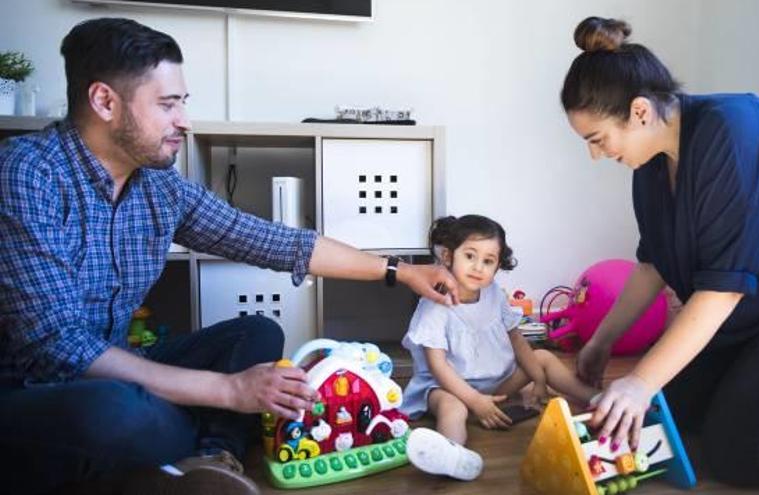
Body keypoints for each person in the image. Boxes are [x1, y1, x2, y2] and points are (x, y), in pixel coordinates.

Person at [0, 18, 459, 495]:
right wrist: (229, 391)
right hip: (34, 392)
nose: (184, 120)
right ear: (104, 102)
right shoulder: (27, 171)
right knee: (114, 414)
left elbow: (272, 241)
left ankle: (211, 456)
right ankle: (182, 445)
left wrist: (402, 272)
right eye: (167, 104)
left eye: (183, 103)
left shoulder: (158, 185)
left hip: (121, 364)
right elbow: (58, 347)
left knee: (257, 331)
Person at [561, 16, 759, 486]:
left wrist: (639, 380)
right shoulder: (650, 166)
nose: (596, 154)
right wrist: (602, 343)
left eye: (597, 140)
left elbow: (723, 291)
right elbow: (653, 264)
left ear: (640, 113)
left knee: (744, 453)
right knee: (678, 408)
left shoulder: (732, 135)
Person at [400, 215, 597, 481]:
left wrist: (538, 380)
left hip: (496, 384)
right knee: (453, 408)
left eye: (488, 261)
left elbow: (516, 338)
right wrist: (474, 401)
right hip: (448, 386)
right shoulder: (436, 303)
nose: (478, 267)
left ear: (497, 265)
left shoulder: (493, 293)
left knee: (542, 357)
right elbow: (437, 366)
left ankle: (594, 399)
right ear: (448, 256)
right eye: (470, 256)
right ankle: (453, 453)